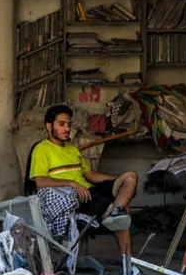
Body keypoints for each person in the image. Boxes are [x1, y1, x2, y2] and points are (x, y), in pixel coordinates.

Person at [29, 104, 138, 257]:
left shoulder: (72, 149)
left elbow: (90, 175)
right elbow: (40, 181)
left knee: (130, 177)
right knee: (123, 215)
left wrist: (117, 180)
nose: (67, 128)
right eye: (61, 124)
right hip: (74, 197)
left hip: (90, 189)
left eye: (69, 124)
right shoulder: (41, 149)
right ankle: (128, 263)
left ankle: (115, 211)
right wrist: (71, 184)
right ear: (49, 126)